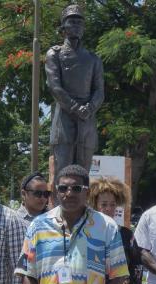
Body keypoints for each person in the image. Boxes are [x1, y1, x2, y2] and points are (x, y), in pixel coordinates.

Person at [44, 4, 104, 172]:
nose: (76, 26)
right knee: (62, 172)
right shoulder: (54, 54)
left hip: (87, 118)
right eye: (72, 22)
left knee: (83, 173)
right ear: (64, 27)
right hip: (65, 117)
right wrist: (75, 107)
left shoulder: (93, 59)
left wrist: (90, 108)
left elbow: (99, 90)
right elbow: (55, 87)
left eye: (80, 22)